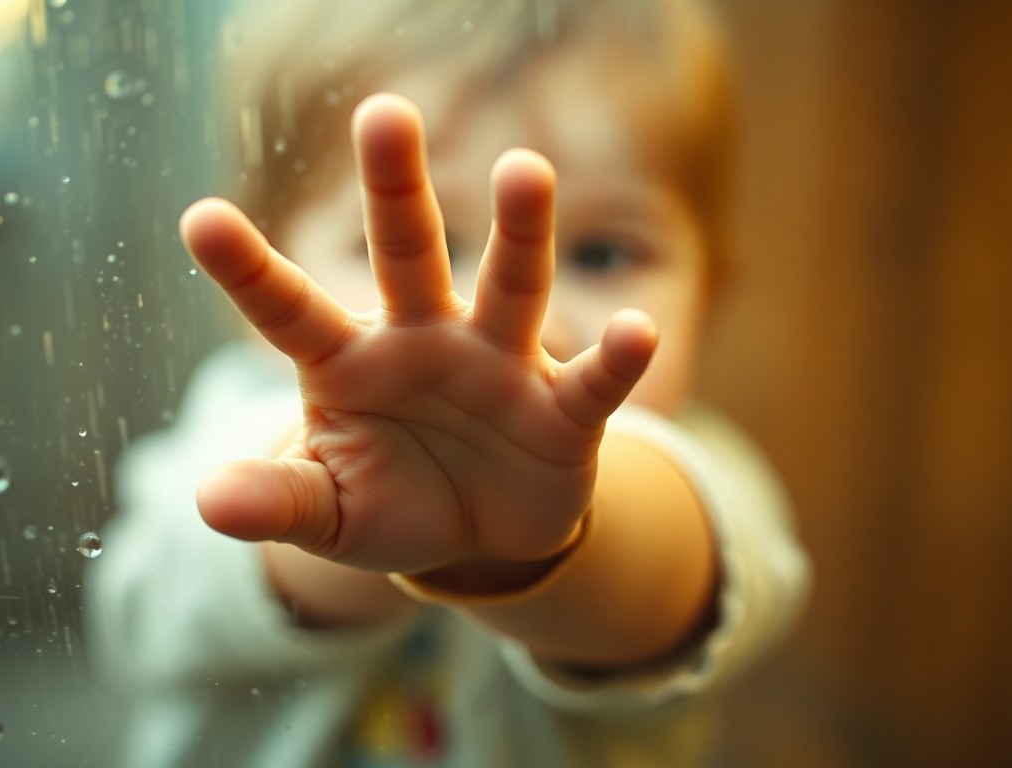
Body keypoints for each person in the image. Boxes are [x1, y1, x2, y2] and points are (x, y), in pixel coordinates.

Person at [87, 0, 810, 765]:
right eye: (420, 243)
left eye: (601, 254)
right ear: (267, 270)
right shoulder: (230, 421)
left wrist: (539, 545)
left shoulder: (695, 479)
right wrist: (323, 510)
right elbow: (144, 611)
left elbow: (674, 589)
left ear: (708, 296)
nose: (510, 326)